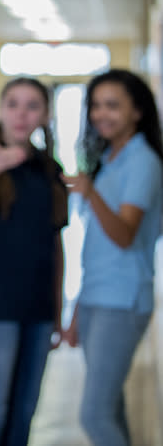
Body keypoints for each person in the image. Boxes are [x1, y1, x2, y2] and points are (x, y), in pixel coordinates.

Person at [0, 77, 68, 446]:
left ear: (45, 115)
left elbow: (56, 246)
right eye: (13, 104)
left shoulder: (50, 169)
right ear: (1, 110)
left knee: (24, 413)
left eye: (32, 105)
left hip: (37, 307)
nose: (21, 114)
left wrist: (56, 310)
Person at [62, 69, 163, 446]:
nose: (101, 114)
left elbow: (124, 234)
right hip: (97, 297)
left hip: (122, 301)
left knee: (95, 415)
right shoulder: (111, 155)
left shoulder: (143, 162)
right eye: (96, 105)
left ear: (137, 111)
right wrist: (77, 310)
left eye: (113, 105)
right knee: (112, 409)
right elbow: (97, 248)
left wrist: (90, 193)